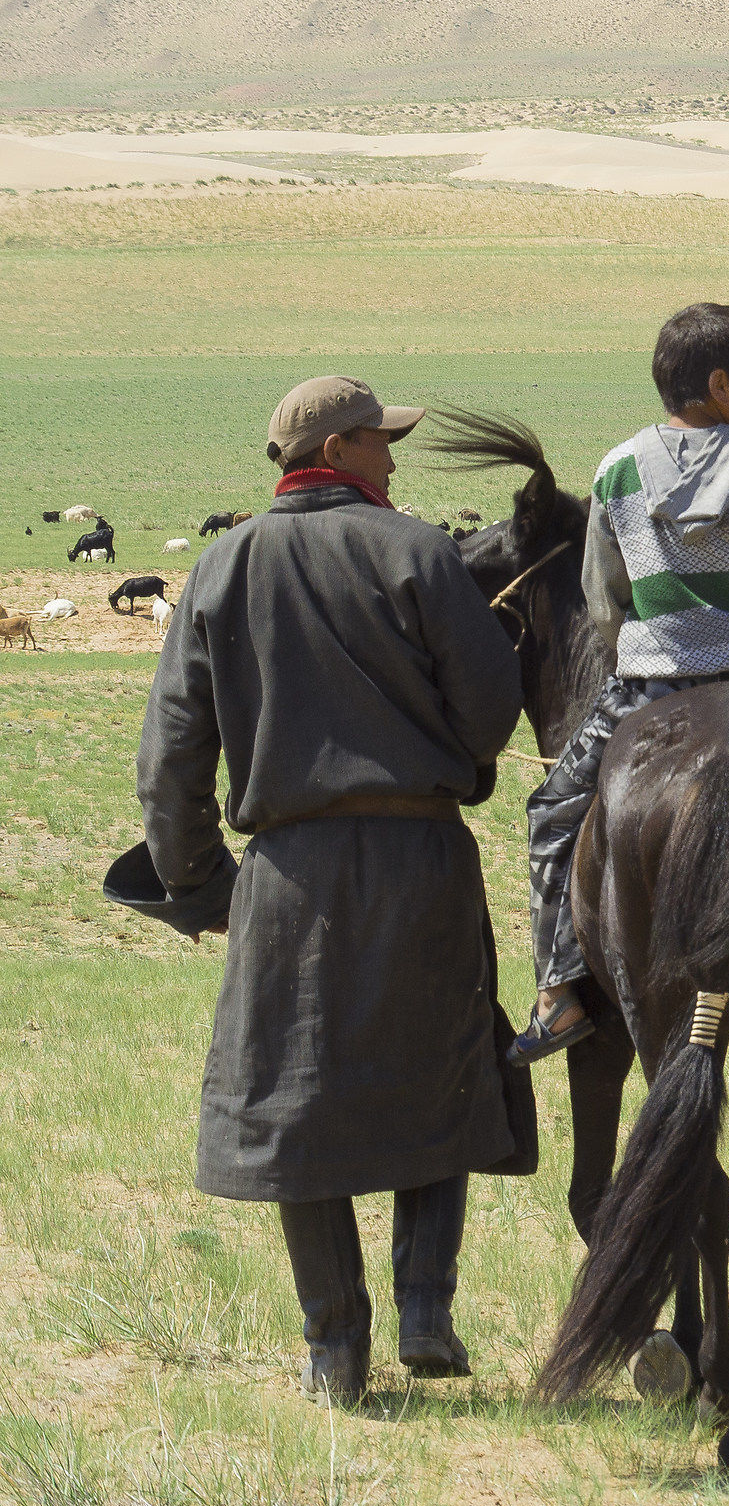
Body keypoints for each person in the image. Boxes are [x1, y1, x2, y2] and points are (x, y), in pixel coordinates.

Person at [136, 375, 531, 1406]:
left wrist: (198, 883)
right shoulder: (420, 552)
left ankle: (334, 1349)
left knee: (291, 1104)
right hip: (420, 856)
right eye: (382, 441)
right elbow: (491, 710)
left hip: (288, 873)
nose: (395, 460)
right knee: (439, 1066)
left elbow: (174, 751)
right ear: (341, 449)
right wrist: (448, 756)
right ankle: (424, 1305)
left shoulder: (221, 567)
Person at [510, 302, 729, 1063]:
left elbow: (601, 598)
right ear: (721, 384)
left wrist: (650, 649)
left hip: (651, 692)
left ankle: (560, 992)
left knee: (555, 812)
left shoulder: (616, 470)